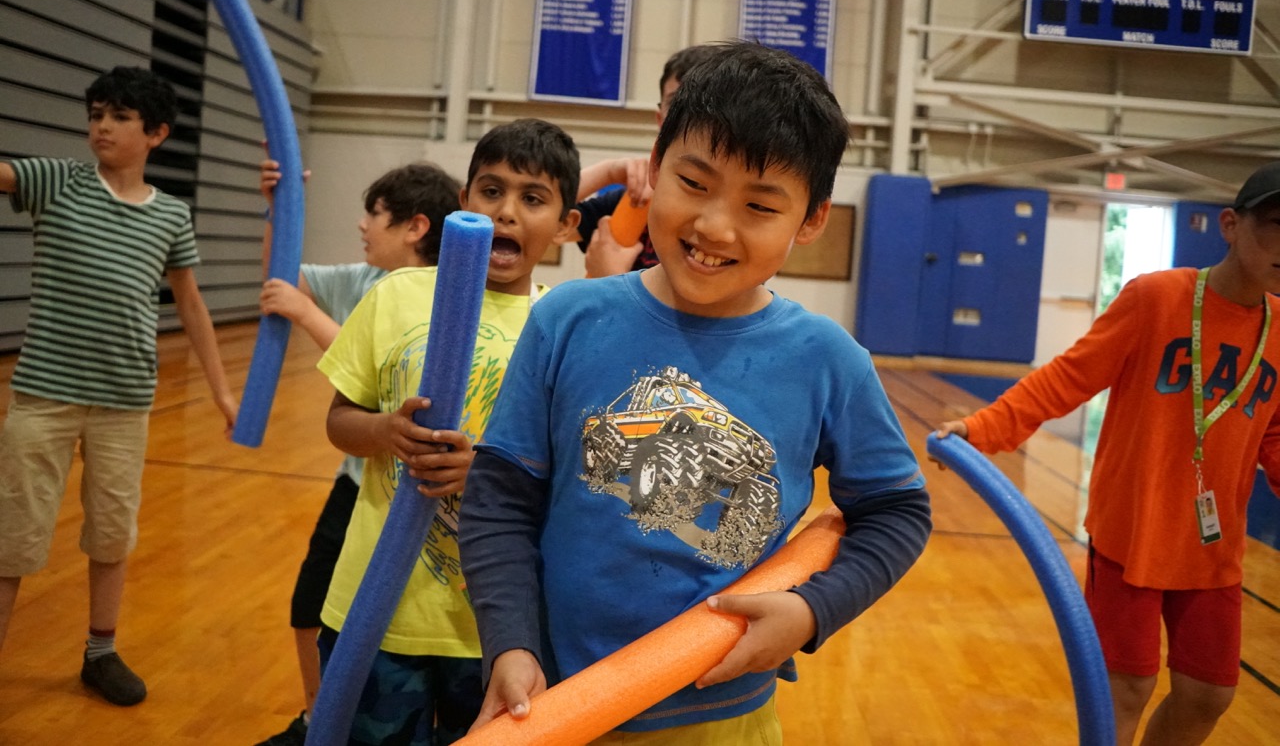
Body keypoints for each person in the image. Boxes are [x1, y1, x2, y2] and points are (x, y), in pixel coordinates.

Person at [457, 42, 932, 742]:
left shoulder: (829, 361)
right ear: (655, 169)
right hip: (554, 704)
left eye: (760, 205)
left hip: (725, 718)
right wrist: (511, 641)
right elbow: (499, 500)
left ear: (811, 220)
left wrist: (811, 611)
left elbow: (895, 511)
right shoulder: (565, 319)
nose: (714, 225)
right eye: (695, 182)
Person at [934, 162, 1280, 746]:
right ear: (1230, 224)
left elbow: (1272, 430)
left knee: (1208, 695)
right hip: (1132, 536)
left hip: (1213, 552)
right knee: (1124, 692)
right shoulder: (1157, 298)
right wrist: (982, 429)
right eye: (1275, 224)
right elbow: (1066, 379)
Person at [314, 118, 581, 744]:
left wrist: (485, 475)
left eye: (533, 199)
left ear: (567, 225)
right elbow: (339, 421)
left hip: (495, 630)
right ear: (464, 203)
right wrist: (385, 431)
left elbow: (573, 478)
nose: (507, 212)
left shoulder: (566, 325)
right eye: (491, 191)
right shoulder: (397, 295)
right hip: (374, 610)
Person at [0, 66, 238, 706]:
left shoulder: (171, 216)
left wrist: (221, 393)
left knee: (111, 534)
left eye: (119, 117)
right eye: (96, 114)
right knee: (13, 536)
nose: (102, 126)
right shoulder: (56, 182)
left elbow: (190, 306)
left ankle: (99, 652)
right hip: (43, 397)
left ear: (155, 133)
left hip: (124, 404)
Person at [253, 161, 462, 746]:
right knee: (310, 602)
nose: (362, 225)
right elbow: (283, 278)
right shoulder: (359, 279)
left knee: (401, 622)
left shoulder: (441, 296)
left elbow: (363, 366)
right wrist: (277, 207)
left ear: (415, 226)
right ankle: (319, 716)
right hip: (356, 482)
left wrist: (304, 313)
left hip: (415, 495)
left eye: (374, 213)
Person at [574, 43, 723, 277]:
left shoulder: (732, 210)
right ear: (660, 118)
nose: (689, 116)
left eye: (703, 103)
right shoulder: (638, 196)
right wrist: (609, 172)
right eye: (677, 103)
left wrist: (609, 279)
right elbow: (547, 215)